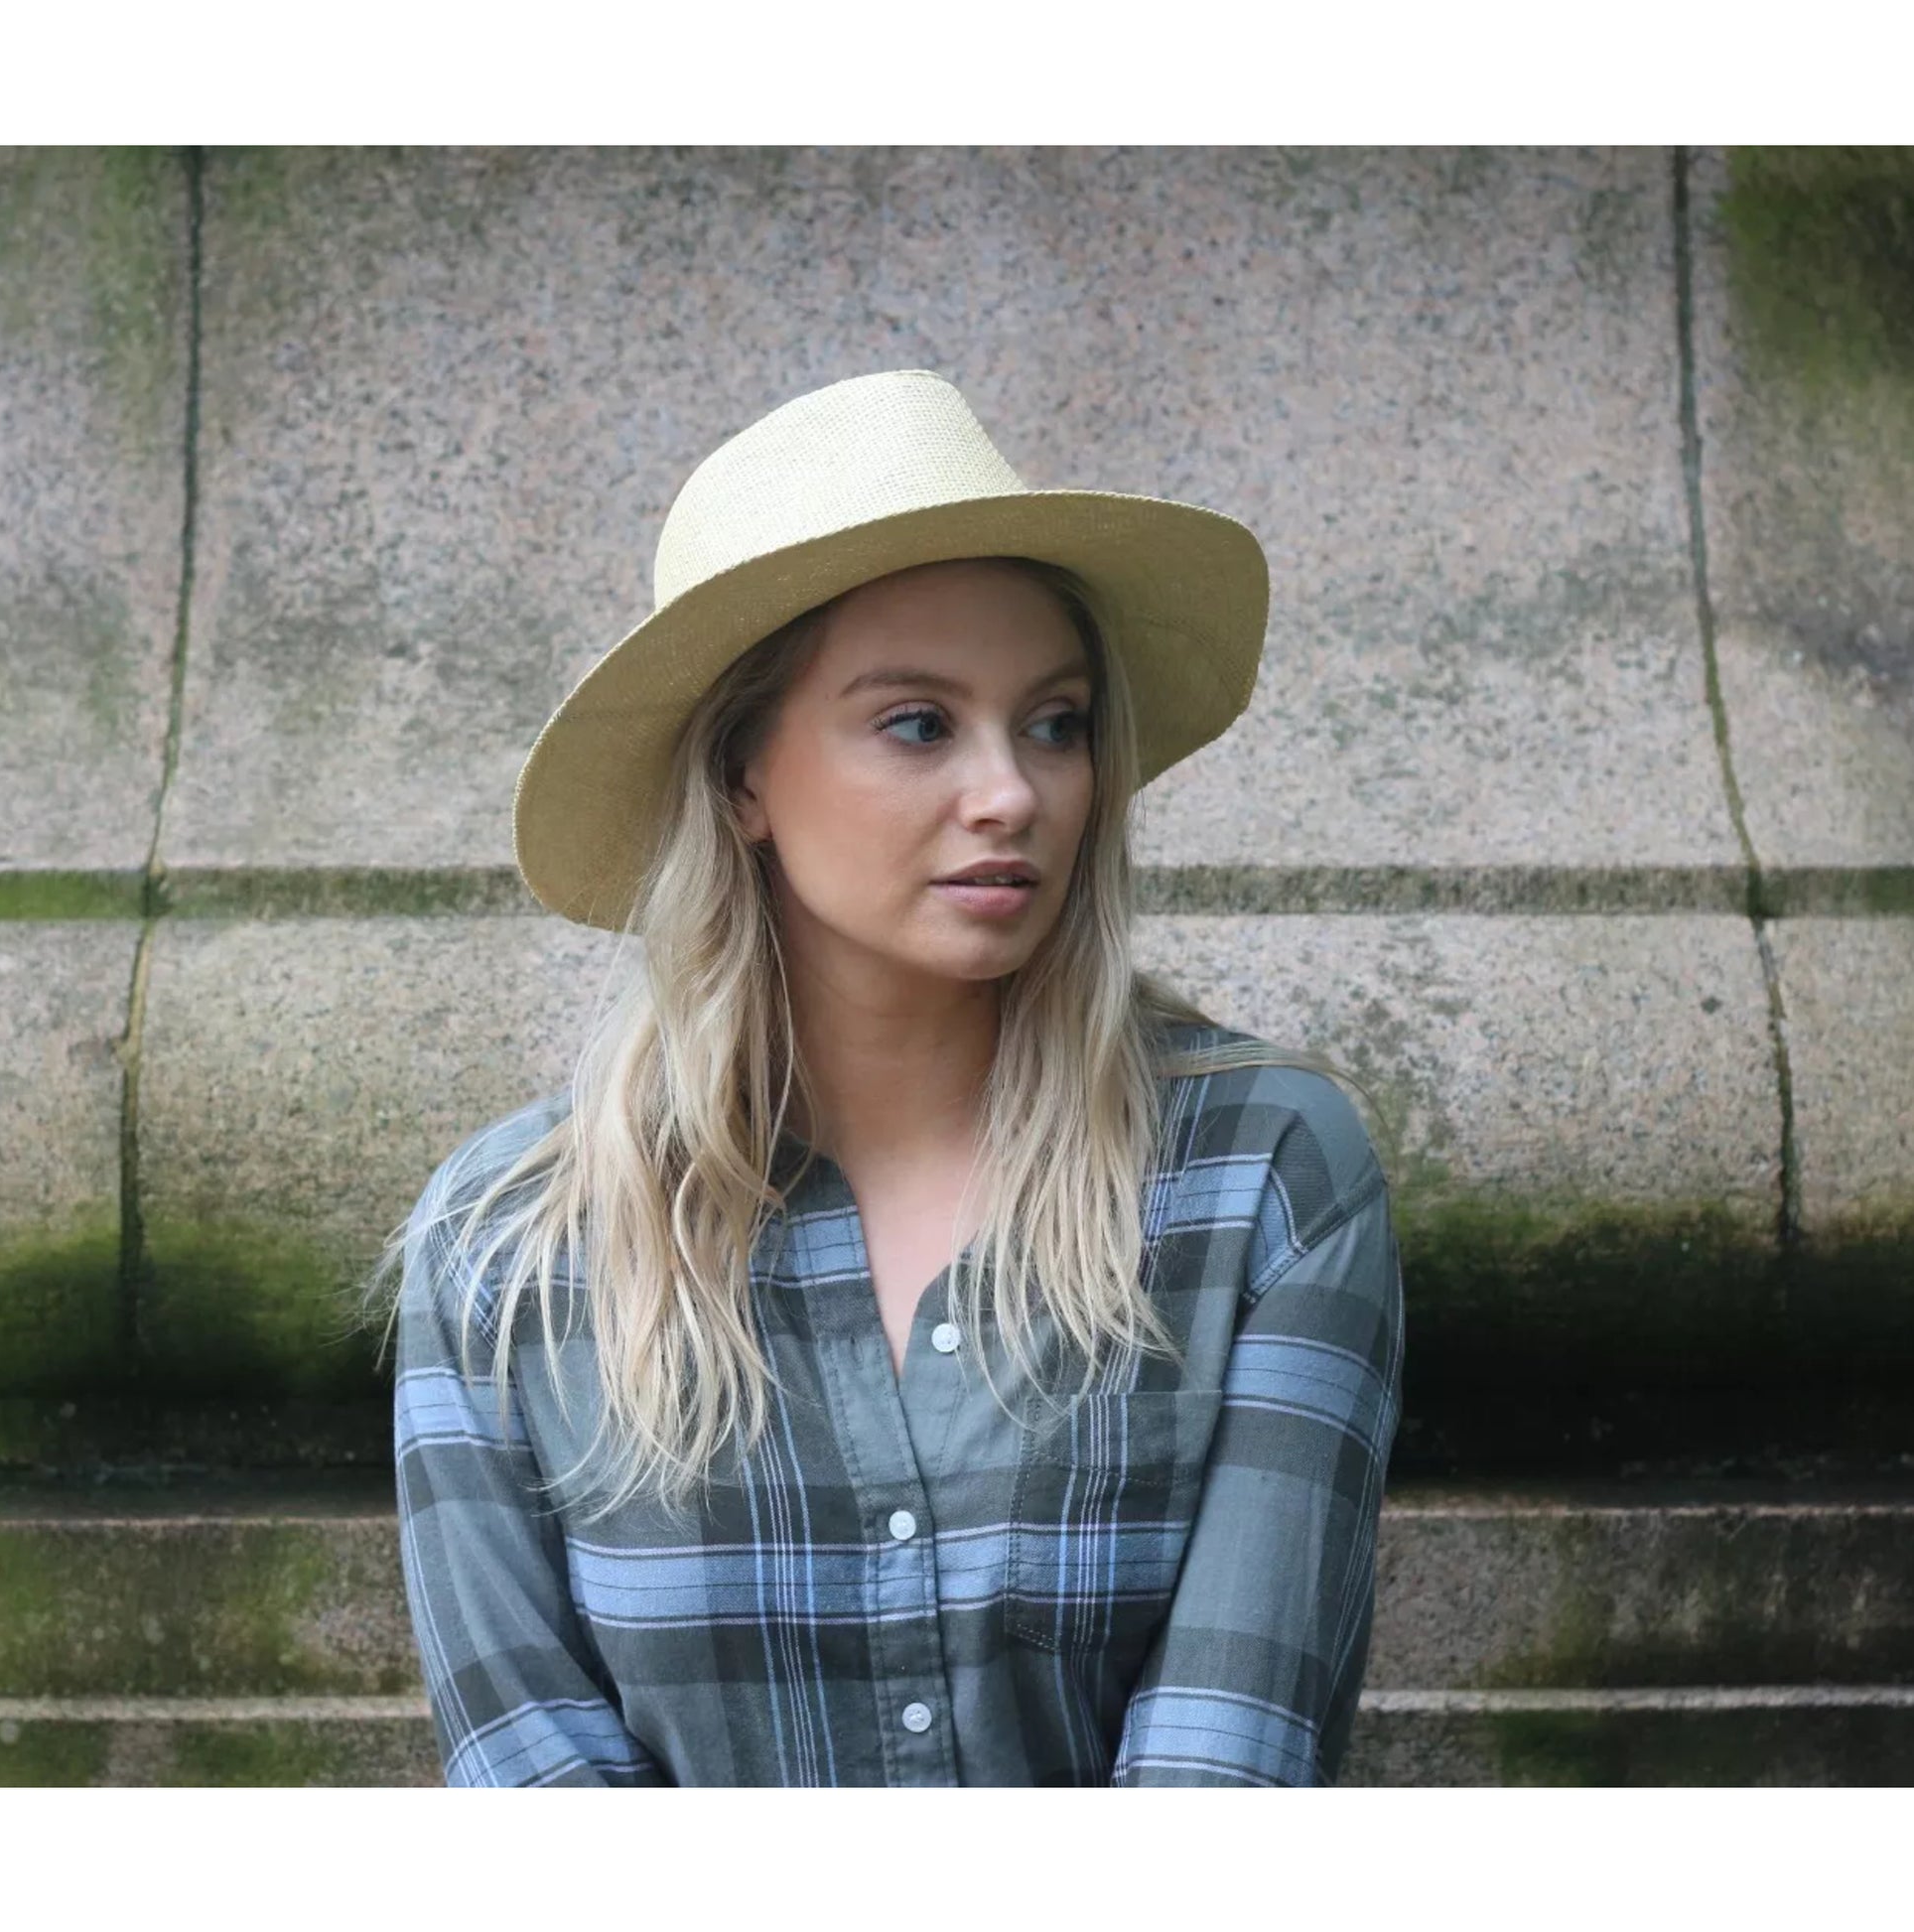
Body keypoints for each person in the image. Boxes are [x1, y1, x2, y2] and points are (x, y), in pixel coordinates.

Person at [368, 368, 1406, 1787]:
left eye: (1053, 720)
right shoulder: (509, 1247)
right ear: (742, 772)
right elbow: (535, 1774)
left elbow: (1224, 1770)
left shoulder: (1258, 1175)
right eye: (919, 723)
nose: (1012, 791)